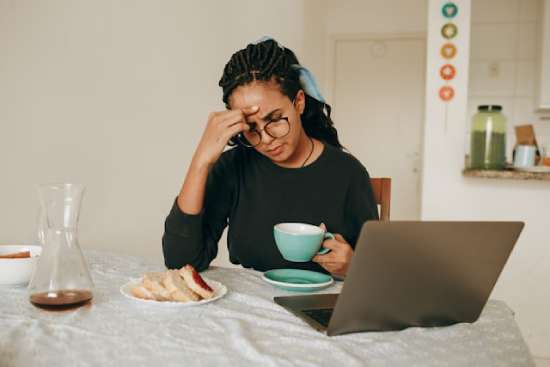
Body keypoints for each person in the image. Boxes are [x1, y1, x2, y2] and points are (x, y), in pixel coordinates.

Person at [162, 38, 378, 278]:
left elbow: (377, 276)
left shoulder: (347, 173)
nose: (265, 140)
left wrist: (354, 267)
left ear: (299, 102)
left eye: (275, 119)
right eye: (251, 128)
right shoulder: (233, 167)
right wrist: (201, 161)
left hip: (322, 305)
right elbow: (180, 262)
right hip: (252, 303)